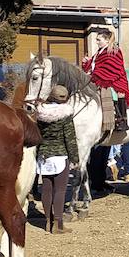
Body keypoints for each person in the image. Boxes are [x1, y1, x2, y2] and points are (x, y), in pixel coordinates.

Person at [35, 84, 81, 233]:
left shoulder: (41, 114)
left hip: (44, 155)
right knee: (60, 191)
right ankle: (58, 224)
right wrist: (75, 157)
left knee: (47, 189)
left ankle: (47, 221)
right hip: (60, 155)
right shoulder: (65, 115)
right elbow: (70, 138)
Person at [82, 25, 129, 133]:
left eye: (98, 40)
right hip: (98, 78)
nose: (96, 42)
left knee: (115, 93)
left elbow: (114, 69)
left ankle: (121, 121)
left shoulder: (114, 51)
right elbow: (93, 66)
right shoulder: (98, 52)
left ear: (106, 40)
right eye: (96, 39)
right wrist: (87, 63)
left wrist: (96, 75)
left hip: (114, 80)